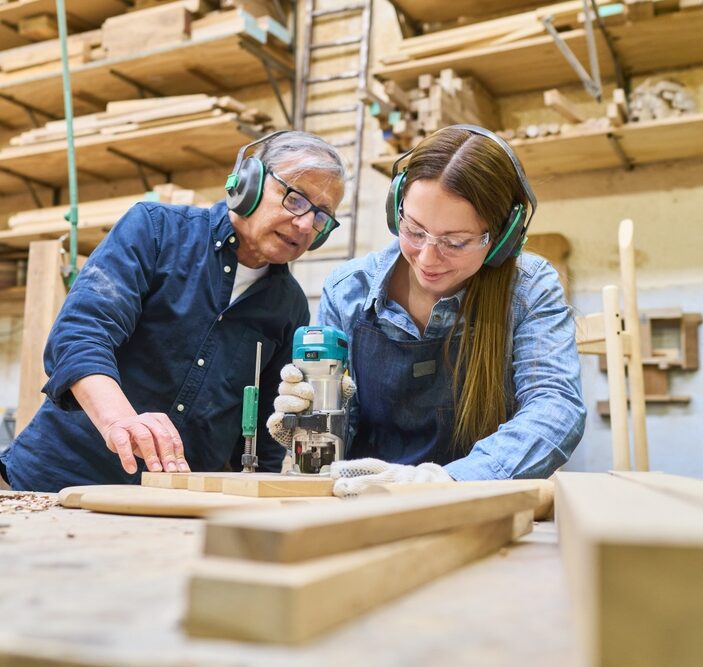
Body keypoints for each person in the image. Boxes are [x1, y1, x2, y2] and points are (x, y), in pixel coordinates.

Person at [0, 130, 346, 492]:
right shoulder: (155, 230)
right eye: (295, 200)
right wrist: (120, 421)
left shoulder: (288, 305)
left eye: (322, 216)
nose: (306, 224)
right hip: (54, 482)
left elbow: (264, 434)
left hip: (168, 507)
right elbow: (79, 336)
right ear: (249, 182)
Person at [268, 125, 586, 496]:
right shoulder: (348, 291)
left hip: (477, 501)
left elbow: (556, 405)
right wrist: (309, 424)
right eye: (415, 231)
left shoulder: (528, 289)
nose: (429, 258)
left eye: (456, 242)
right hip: (367, 500)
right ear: (396, 210)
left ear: (502, 238)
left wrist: (447, 480)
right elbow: (344, 431)